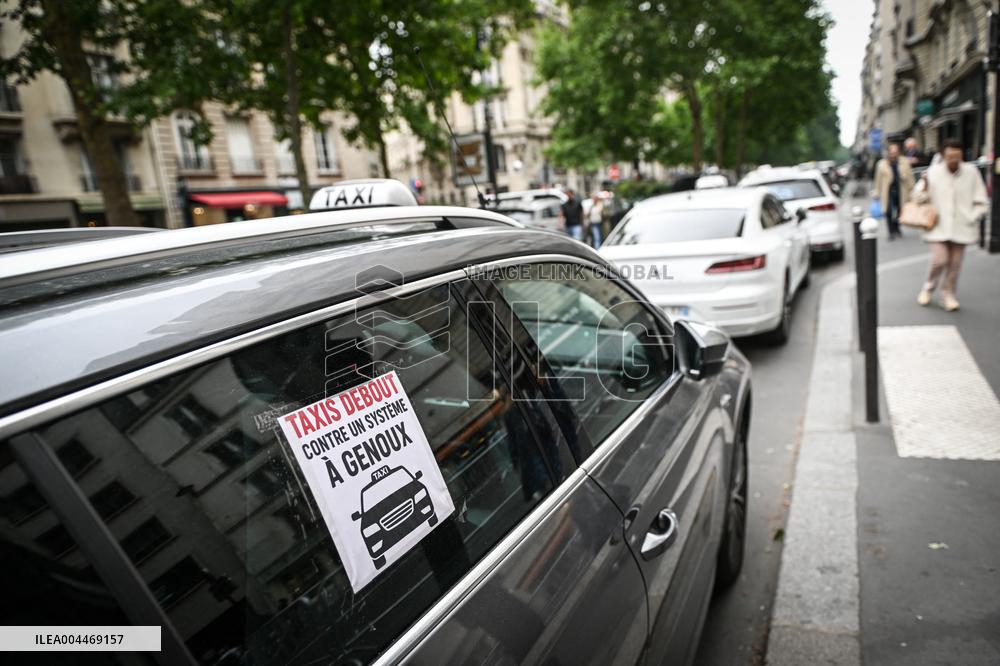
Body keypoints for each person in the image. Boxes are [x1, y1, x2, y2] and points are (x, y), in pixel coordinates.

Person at [914, 138, 987, 311]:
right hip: (937, 225)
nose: (953, 160)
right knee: (939, 260)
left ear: (962, 155)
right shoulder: (932, 172)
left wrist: (972, 216)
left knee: (955, 264)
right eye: (949, 156)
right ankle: (928, 287)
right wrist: (924, 185)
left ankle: (948, 294)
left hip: (962, 225)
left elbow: (981, 201)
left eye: (957, 156)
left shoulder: (971, 172)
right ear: (943, 156)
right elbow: (917, 198)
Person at [874, 142, 914, 240]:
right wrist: (877, 192)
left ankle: (896, 227)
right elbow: (878, 180)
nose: (893, 154)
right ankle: (891, 231)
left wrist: (912, 188)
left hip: (901, 189)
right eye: (892, 152)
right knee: (888, 211)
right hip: (887, 191)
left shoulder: (904, 161)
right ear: (888, 152)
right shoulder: (881, 164)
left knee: (900, 210)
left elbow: (910, 176)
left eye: (895, 152)